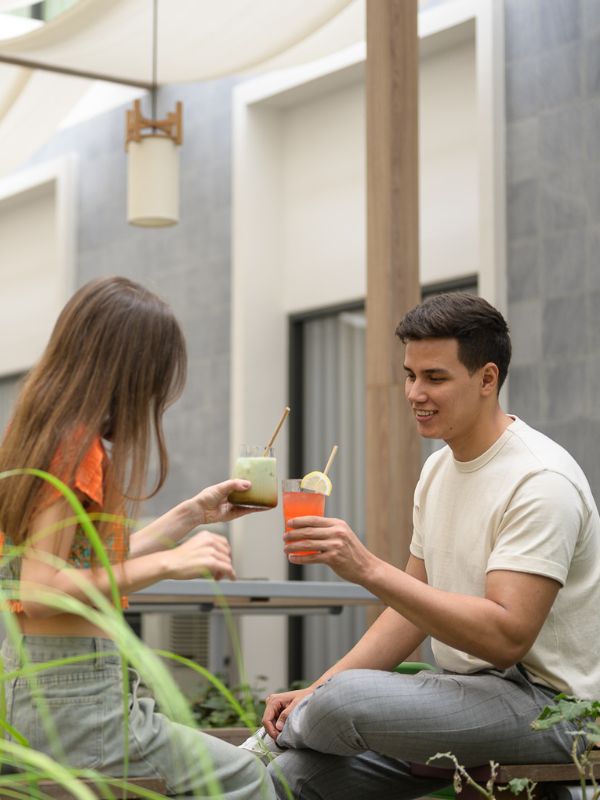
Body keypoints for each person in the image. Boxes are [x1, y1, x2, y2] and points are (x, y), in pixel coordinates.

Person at [254, 292, 600, 800]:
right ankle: (277, 745)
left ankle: (265, 742)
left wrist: (368, 568)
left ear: (487, 379)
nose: (415, 392)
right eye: (410, 375)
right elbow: (409, 610)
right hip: (469, 698)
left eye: (434, 377)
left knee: (341, 702)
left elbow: (507, 638)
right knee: (288, 780)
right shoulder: (438, 468)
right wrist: (313, 689)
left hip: (549, 710)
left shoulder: (539, 479)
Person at [0, 276, 275, 799]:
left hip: (38, 695)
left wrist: (189, 517)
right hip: (80, 710)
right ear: (129, 368)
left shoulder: (41, 432)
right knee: (246, 776)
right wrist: (169, 565)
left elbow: (82, 564)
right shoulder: (77, 447)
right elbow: (41, 592)